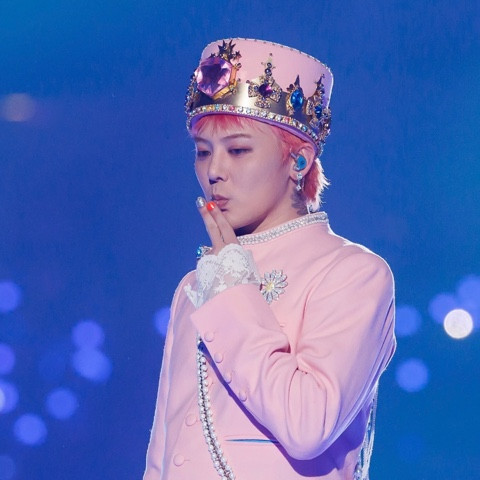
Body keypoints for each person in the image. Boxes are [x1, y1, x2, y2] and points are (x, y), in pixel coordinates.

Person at [144, 38, 396, 480]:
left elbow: (308, 425)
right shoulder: (193, 285)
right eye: (203, 151)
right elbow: (164, 455)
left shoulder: (354, 274)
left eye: (238, 150)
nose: (213, 171)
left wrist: (233, 289)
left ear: (298, 161)